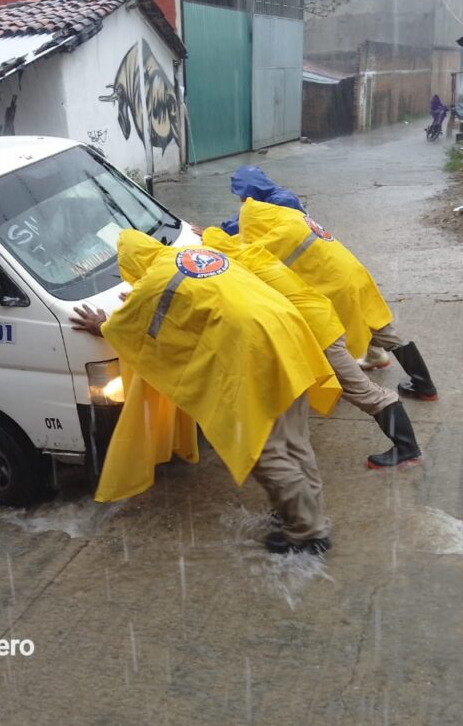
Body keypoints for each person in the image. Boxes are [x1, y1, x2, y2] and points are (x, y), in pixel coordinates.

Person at [70, 230, 341, 555]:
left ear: (130, 265)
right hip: (288, 334)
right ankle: (304, 509)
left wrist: (102, 325)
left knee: (258, 447)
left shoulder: (154, 282)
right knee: (292, 435)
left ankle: (308, 532)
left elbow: (133, 332)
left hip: (255, 351)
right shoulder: (192, 256)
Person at [201, 228, 421, 469]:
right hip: (320, 319)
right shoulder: (249, 253)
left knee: (363, 391)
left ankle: (407, 449)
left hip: (318, 334)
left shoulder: (238, 269)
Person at [238, 197, 438, 401]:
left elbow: (247, 255)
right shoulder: (294, 218)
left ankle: (357, 391)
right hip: (355, 275)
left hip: (337, 287)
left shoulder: (278, 238)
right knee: (382, 328)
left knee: (332, 341)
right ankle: (423, 384)